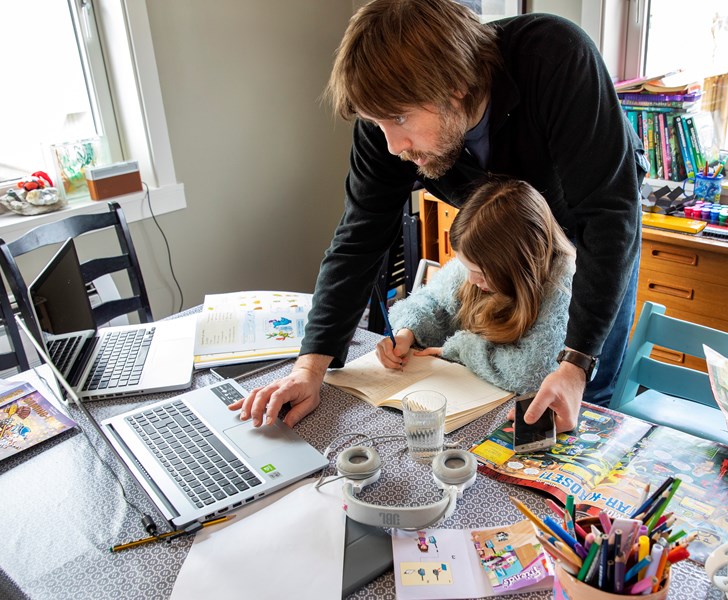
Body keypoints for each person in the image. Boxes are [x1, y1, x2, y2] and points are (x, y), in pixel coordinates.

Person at [231, 0, 646, 433]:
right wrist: (309, 369)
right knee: (504, 395)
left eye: (398, 119)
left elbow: (609, 216)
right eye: (377, 124)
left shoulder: (557, 58)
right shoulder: (388, 123)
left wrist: (576, 365)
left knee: (578, 390)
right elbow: (360, 235)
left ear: (457, 87)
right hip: (506, 231)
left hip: (586, 220)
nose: (392, 146)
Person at [376, 178, 575, 393]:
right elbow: (431, 302)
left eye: (480, 272)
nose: (471, 279)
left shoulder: (562, 283)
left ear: (518, 263)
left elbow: (529, 373)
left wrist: (461, 347)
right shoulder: (476, 262)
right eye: (466, 267)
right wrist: (407, 332)